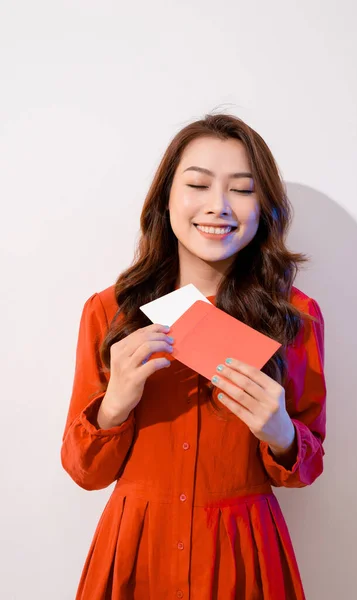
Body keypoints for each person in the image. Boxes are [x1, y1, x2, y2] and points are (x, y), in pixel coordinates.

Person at [61, 113, 326, 599]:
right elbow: (85, 472)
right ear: (167, 196)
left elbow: (306, 468)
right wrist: (115, 404)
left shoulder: (296, 317)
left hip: (245, 558)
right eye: (198, 184)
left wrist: (283, 434)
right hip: (136, 554)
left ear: (264, 205)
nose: (218, 206)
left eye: (242, 189)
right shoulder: (110, 312)